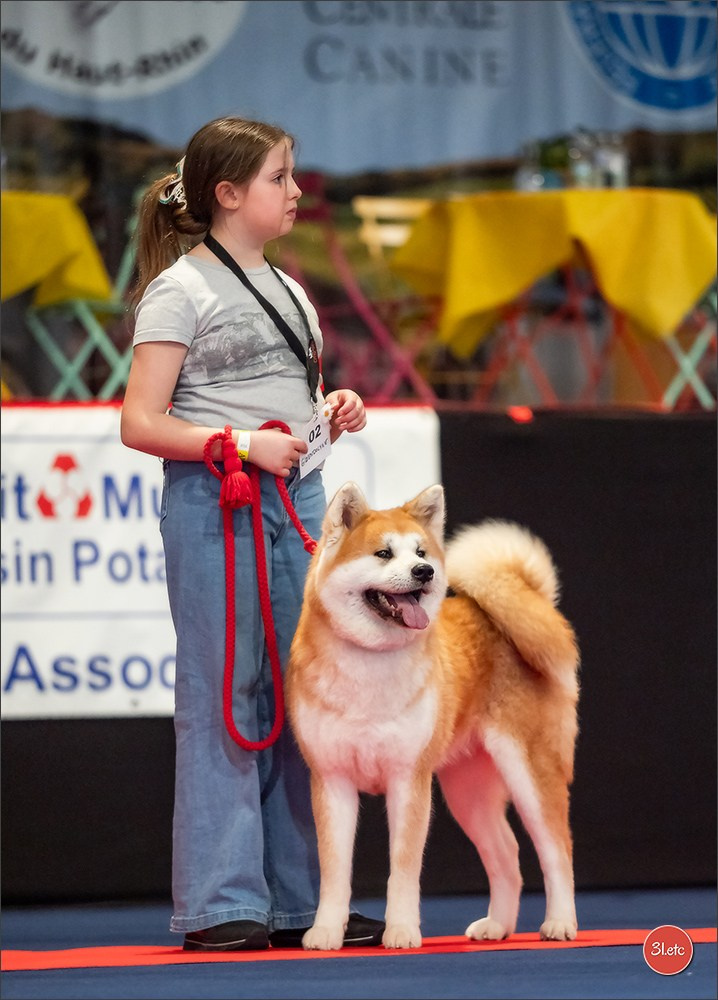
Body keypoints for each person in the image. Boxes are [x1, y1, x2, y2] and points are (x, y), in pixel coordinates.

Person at [120, 116, 384, 952]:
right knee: (223, 696)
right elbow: (138, 421)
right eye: (279, 178)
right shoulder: (180, 289)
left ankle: (303, 903)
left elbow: (288, 403)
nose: (296, 191)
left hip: (294, 499)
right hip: (216, 505)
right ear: (229, 195)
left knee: (302, 697)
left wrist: (330, 414)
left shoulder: (289, 289)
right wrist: (234, 445)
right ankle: (220, 900)